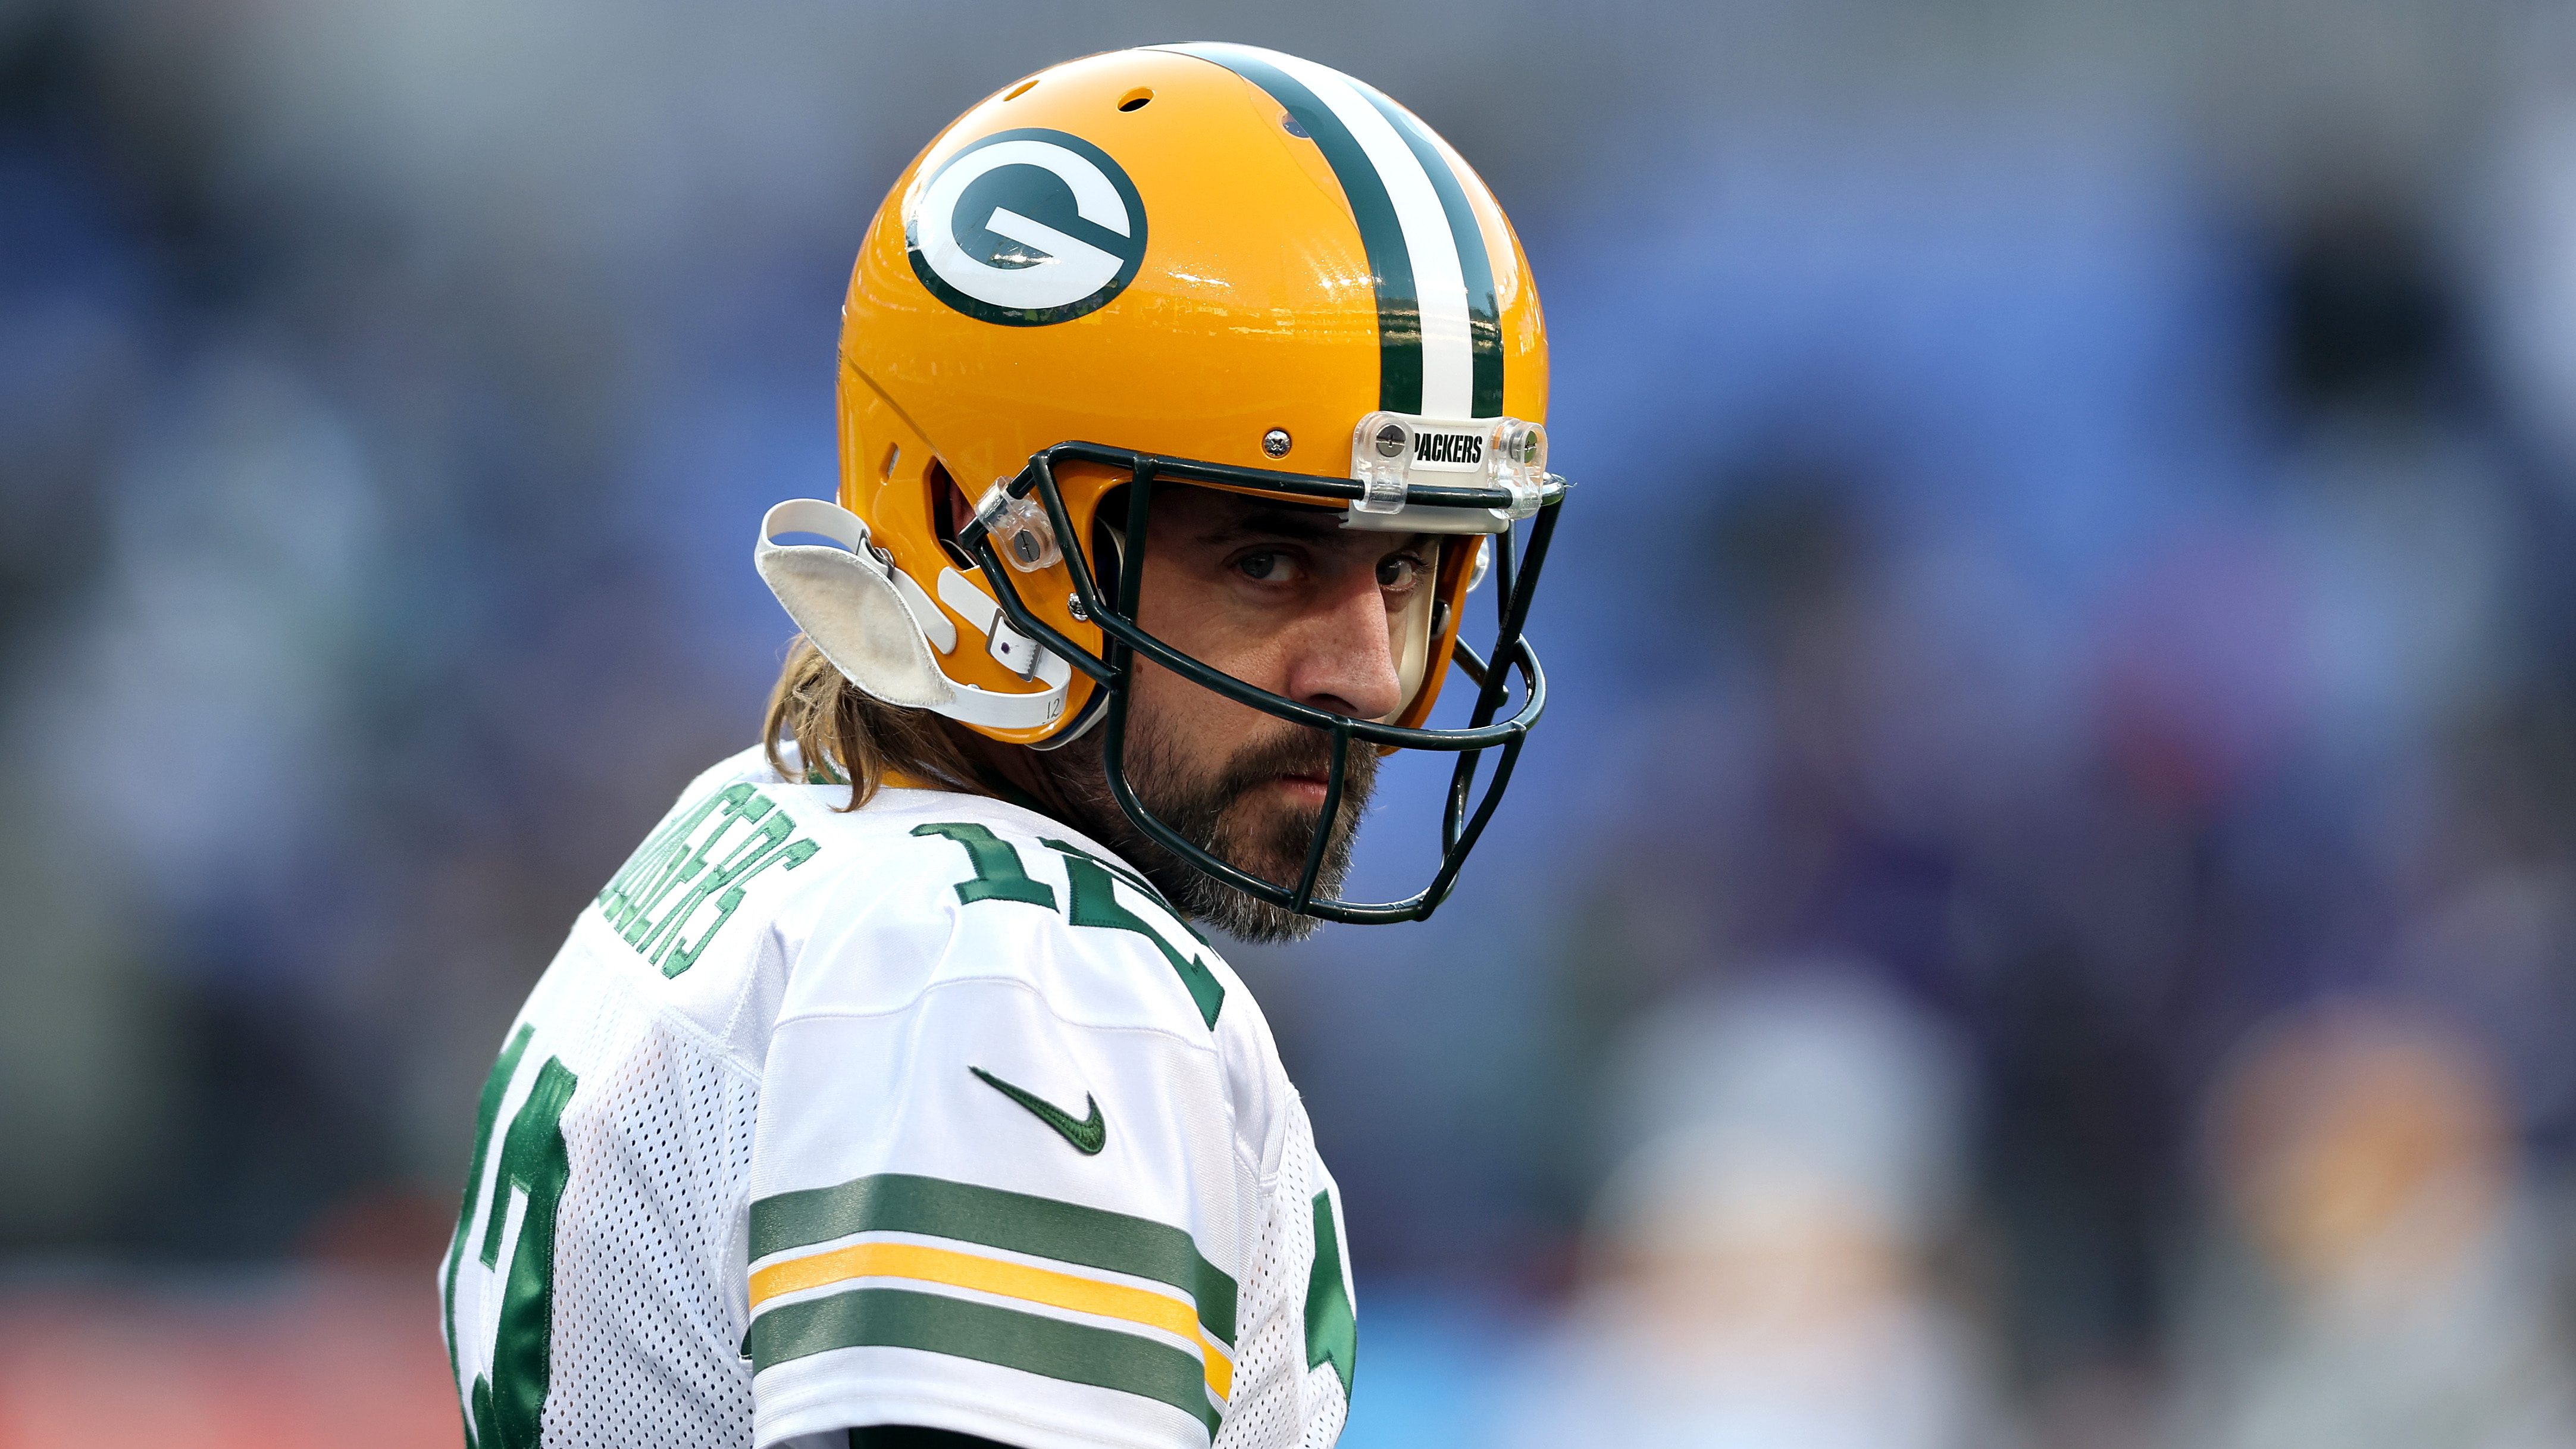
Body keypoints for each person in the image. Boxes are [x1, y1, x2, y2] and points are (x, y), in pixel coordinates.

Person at [436, 43, 1566, 1449]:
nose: (1367, 673)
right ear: (982, 537)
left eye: (1404, 570)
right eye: (1270, 560)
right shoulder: (1013, 965)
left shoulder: (777, 824)